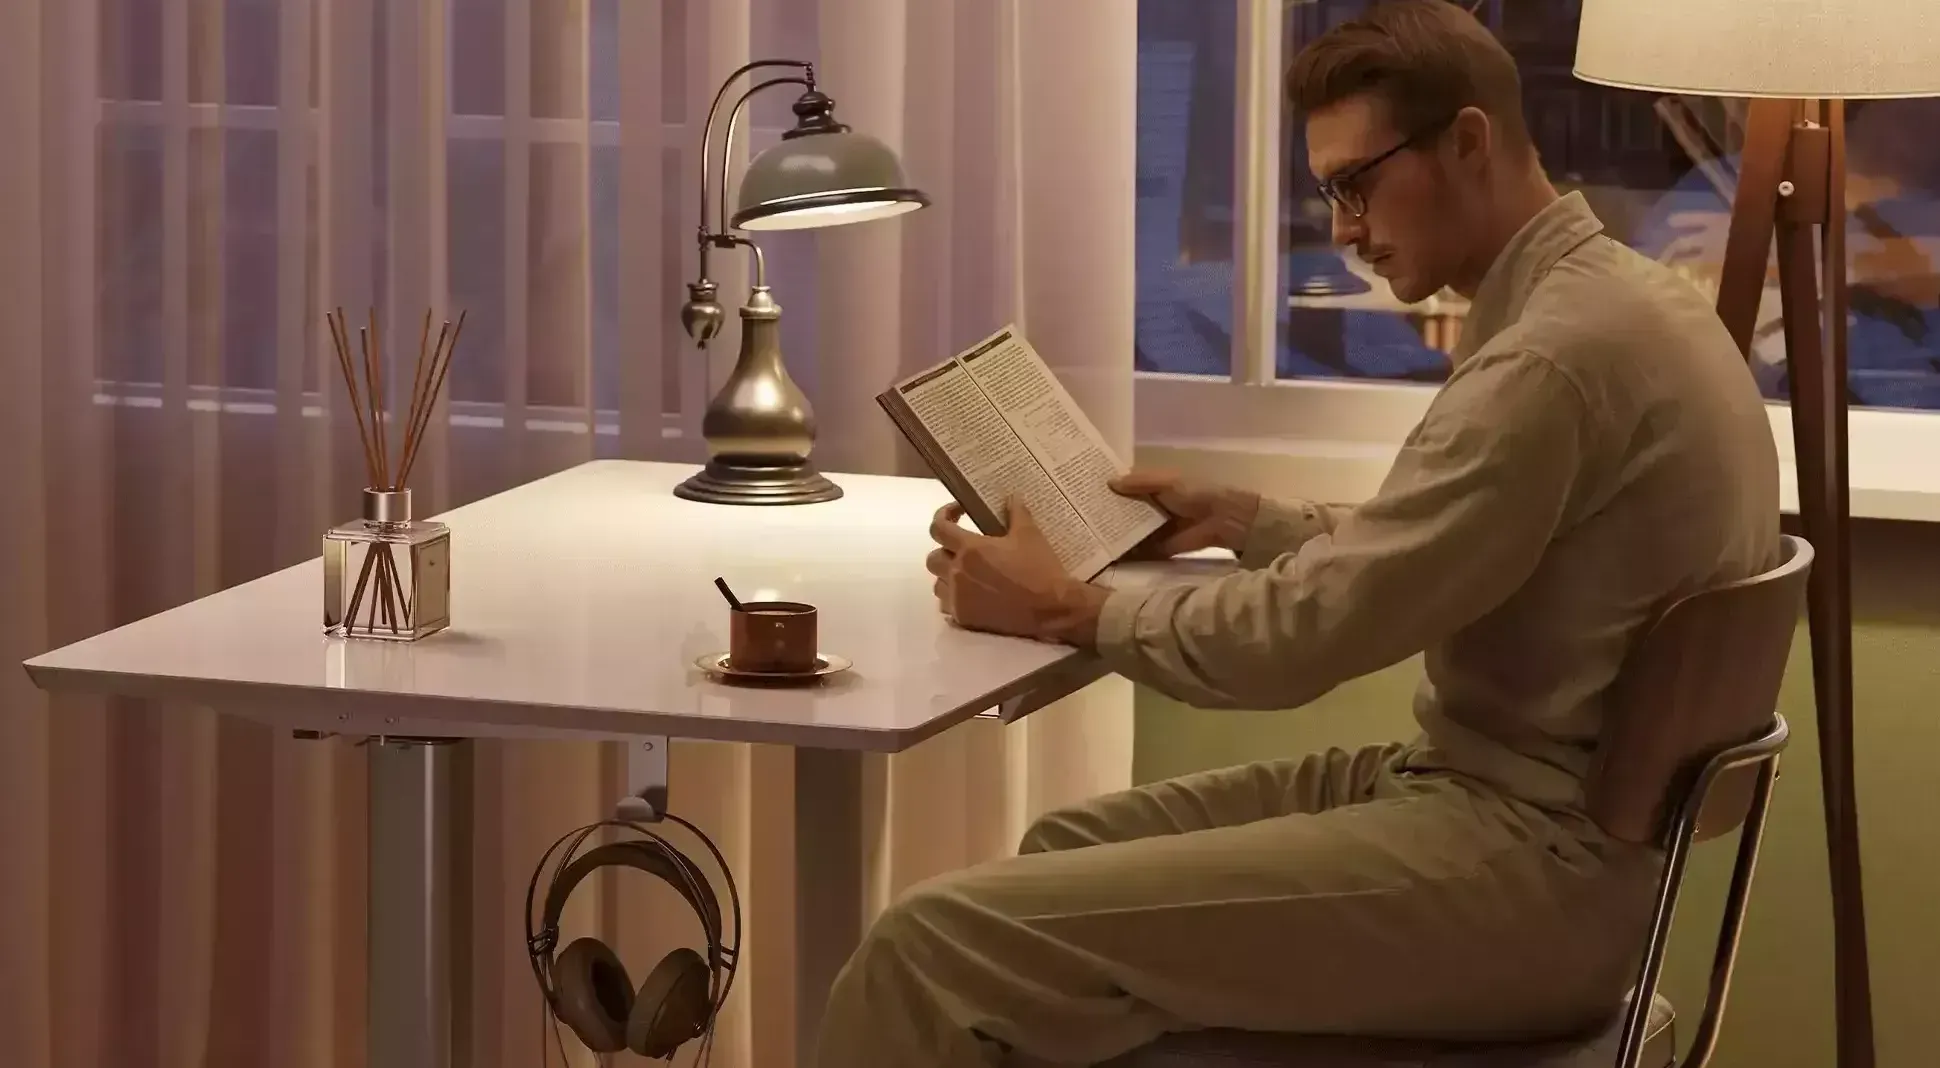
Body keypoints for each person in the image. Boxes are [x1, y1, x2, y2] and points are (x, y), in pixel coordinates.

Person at [813, 3, 1781, 1066]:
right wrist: (1247, 521)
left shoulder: (1549, 363)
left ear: (1468, 141)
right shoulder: (1627, 306)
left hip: (1530, 869)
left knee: (932, 943)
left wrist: (1063, 605)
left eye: (1356, 184)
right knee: (1066, 848)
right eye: (1329, 193)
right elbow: (1460, 538)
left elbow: (1303, 639)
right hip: (1529, 827)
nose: (1344, 230)